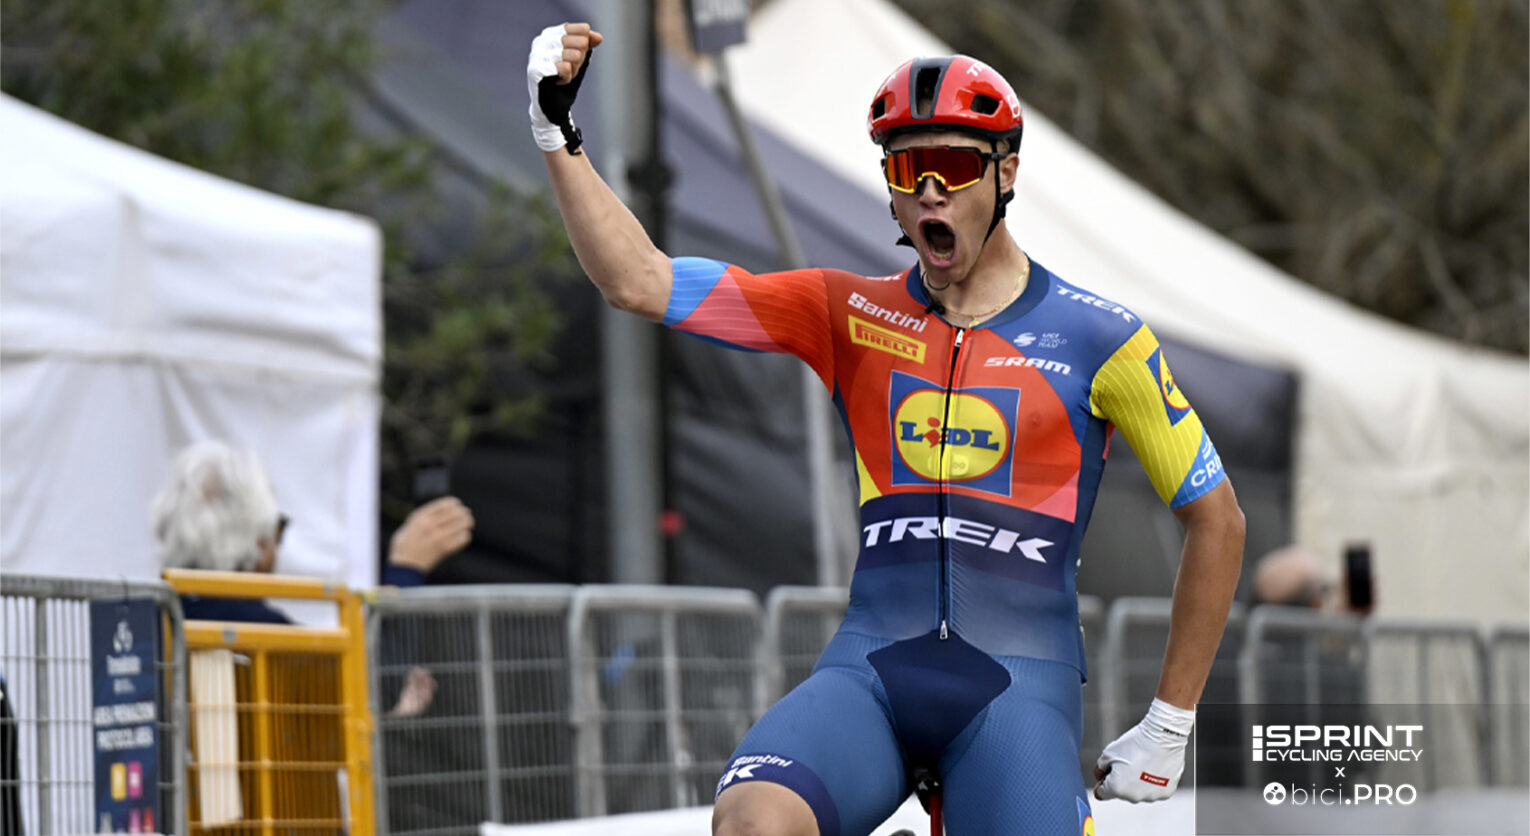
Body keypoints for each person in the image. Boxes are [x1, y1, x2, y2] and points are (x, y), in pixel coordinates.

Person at [528, 24, 1246, 835]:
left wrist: (1170, 720)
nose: (930, 190)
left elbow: (1217, 521)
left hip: (1017, 690)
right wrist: (556, 133)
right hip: (870, 671)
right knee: (752, 823)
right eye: (908, 169)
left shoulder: (1100, 338)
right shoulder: (848, 311)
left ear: (1006, 173)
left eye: (953, 166)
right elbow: (639, 280)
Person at [150, 440, 474, 715]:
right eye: (278, 528)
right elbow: (368, 688)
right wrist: (406, 568)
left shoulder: (158, 618)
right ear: (258, 542)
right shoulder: (252, 628)